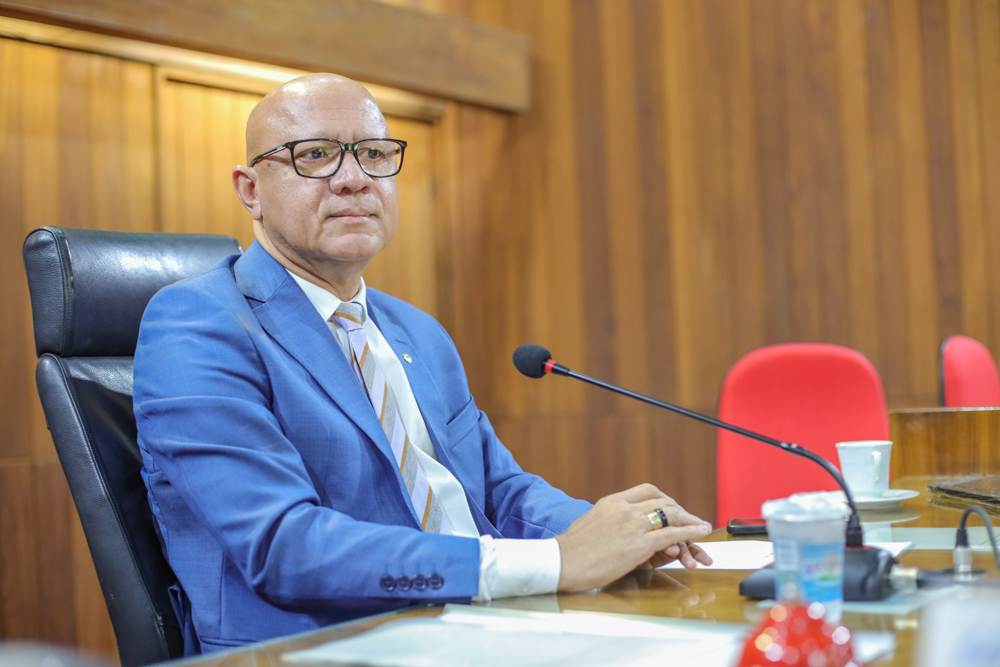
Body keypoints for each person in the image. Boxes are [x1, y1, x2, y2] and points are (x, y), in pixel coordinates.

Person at [133, 72, 713, 654]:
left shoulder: (416, 329)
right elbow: (285, 546)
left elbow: (499, 492)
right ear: (250, 189)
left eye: (375, 155)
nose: (355, 180)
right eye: (314, 156)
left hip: (485, 626)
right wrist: (558, 560)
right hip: (325, 648)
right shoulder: (197, 324)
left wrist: (615, 535)